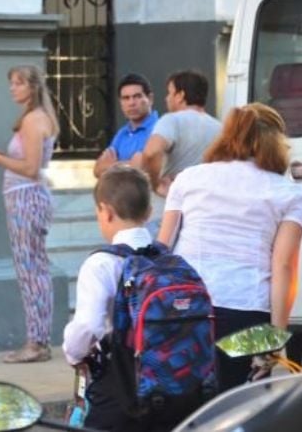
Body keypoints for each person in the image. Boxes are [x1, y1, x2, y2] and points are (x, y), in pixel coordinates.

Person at [157, 103, 302, 392]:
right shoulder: (288, 193)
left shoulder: (188, 178)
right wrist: (275, 339)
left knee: (187, 401)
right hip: (247, 315)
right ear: (276, 143)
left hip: (186, 310)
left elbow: (163, 247)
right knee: (239, 401)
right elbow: (283, 266)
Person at [63, 165, 204, 431]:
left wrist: (73, 353)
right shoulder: (173, 262)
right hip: (178, 390)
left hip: (123, 389)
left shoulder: (102, 263)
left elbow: (89, 326)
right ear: (149, 212)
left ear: (105, 211)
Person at [0, 64, 59, 363]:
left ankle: (37, 342)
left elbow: (31, 168)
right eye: (11, 83)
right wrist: (0, 157)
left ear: (32, 87)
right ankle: (37, 339)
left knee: (31, 270)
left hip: (27, 199)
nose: (12, 88)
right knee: (31, 269)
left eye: (18, 83)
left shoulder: (34, 120)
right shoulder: (33, 118)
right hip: (23, 198)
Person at [141, 70, 221, 233]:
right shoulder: (221, 128)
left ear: (180, 96)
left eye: (170, 93)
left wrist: (156, 184)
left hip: (166, 214)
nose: (167, 98)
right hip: (203, 215)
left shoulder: (172, 120)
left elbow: (151, 152)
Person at [92, 73, 159, 178]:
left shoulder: (159, 129)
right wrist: (129, 164)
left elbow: (142, 167)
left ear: (150, 99)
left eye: (137, 96)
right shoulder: (122, 133)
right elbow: (98, 169)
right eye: (126, 98)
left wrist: (112, 166)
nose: (131, 103)